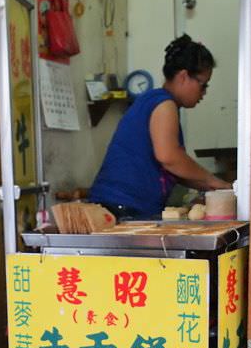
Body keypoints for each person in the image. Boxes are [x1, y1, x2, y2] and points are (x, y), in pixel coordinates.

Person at [89, 34, 233, 220]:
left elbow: (174, 168)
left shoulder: (156, 102)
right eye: (203, 85)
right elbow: (169, 157)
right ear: (183, 76)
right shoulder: (163, 104)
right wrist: (210, 179)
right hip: (123, 207)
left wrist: (212, 187)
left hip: (122, 206)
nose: (204, 93)